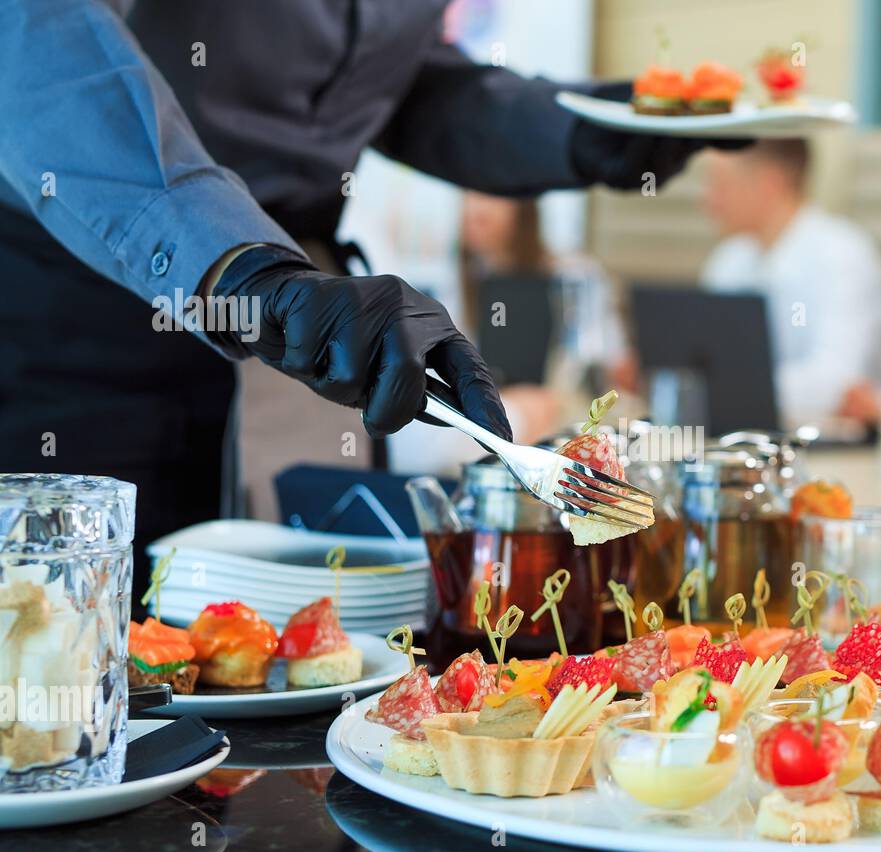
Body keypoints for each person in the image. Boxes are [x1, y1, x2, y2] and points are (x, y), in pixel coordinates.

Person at [0, 1, 725, 603]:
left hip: (299, 331)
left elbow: (402, 87)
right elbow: (36, 31)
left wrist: (576, 129)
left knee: (278, 670)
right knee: (68, 687)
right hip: (71, 319)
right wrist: (236, 261)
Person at [387, 191, 628, 475]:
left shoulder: (575, 278)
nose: (475, 207)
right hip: (483, 446)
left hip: (559, 444)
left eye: (488, 193)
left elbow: (616, 372)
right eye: (467, 193)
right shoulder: (445, 285)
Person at [698, 139, 881, 431]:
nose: (707, 200)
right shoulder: (728, 260)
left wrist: (727, 387)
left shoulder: (842, 254)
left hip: (842, 448)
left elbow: (836, 380)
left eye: (721, 185)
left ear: (769, 184)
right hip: (748, 436)